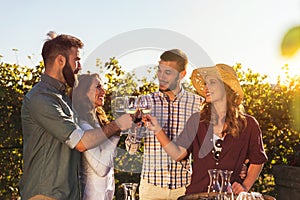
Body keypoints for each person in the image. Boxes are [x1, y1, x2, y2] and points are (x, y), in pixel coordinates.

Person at [19, 33, 132, 200]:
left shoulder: (62, 98)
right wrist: (117, 125)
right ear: (60, 60)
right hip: (46, 194)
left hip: (66, 194)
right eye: (76, 60)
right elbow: (80, 142)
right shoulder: (41, 98)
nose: (79, 66)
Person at [146, 64, 268, 195]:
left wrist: (244, 186)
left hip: (229, 196)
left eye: (212, 83)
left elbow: (257, 161)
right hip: (198, 195)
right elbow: (178, 154)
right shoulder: (197, 121)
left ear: (226, 88)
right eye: (205, 83)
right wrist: (157, 129)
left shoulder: (249, 124)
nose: (206, 88)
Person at [137, 49, 203, 200]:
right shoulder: (145, 102)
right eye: (159, 71)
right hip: (151, 188)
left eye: (168, 72)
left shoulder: (197, 104)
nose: (161, 77)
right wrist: (135, 130)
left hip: (185, 187)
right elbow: (132, 148)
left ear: (182, 75)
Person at [72, 74, 119, 200]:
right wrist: (116, 133)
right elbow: (101, 169)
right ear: (83, 93)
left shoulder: (99, 122)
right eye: (98, 87)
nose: (103, 91)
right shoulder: (82, 125)